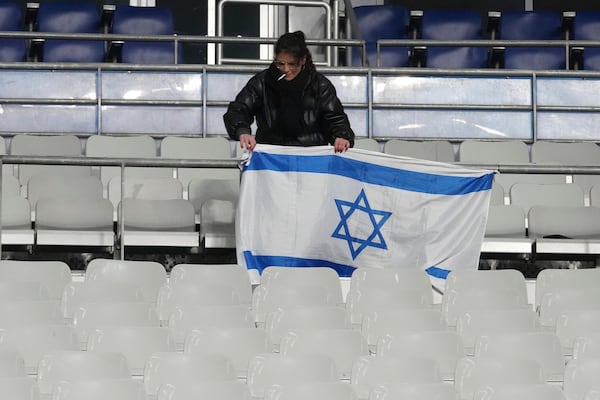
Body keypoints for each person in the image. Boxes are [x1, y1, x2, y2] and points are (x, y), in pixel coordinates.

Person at [223, 31, 354, 153]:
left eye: (292, 64)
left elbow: (335, 118)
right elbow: (238, 109)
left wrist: (341, 136)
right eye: (280, 63)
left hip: (310, 155)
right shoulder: (261, 82)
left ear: (303, 61)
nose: (285, 69)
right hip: (271, 154)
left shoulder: (320, 85)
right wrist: (242, 131)